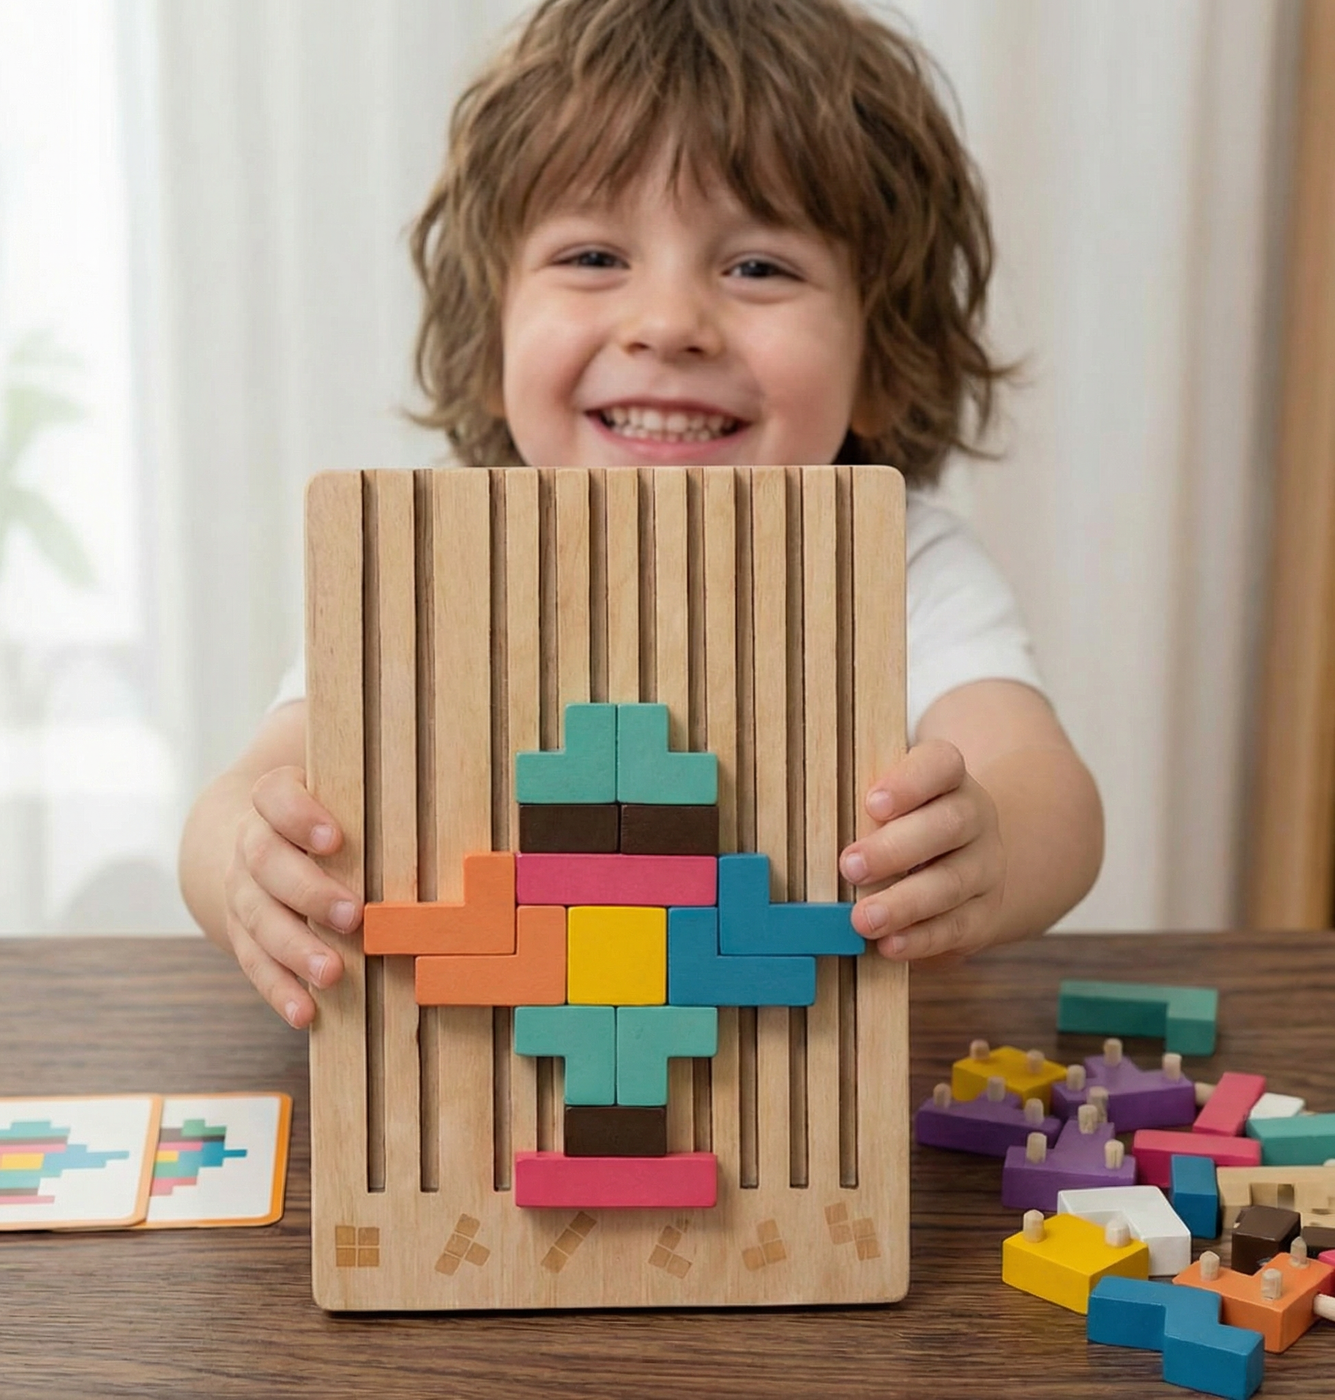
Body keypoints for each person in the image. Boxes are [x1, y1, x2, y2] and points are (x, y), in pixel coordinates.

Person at [179, 0, 1103, 1030]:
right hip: (496, 1059)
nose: (667, 324)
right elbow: (246, 791)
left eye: (758, 267)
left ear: (882, 360)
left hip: (783, 1058)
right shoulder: (425, 567)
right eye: (592, 258)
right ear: (489, 339)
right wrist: (245, 862)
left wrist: (986, 847)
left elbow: (1046, 790)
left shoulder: (903, 568)